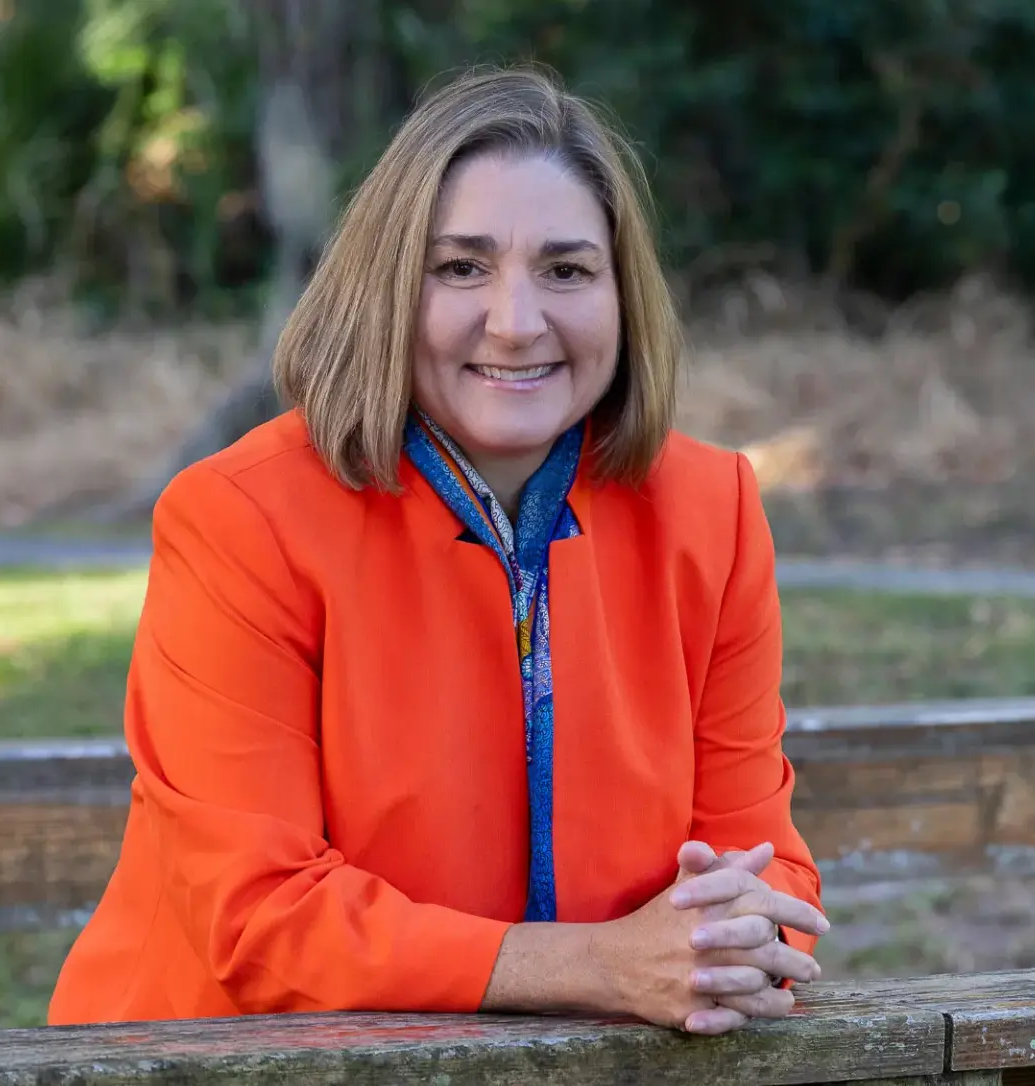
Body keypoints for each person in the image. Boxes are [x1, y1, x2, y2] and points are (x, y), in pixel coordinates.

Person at [48, 65, 827, 1037]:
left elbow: (768, 866)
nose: (516, 322)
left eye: (567, 270)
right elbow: (259, 918)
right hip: (207, 1059)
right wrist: (598, 966)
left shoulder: (713, 513)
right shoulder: (239, 520)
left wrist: (744, 936)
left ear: (625, 295)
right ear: (388, 287)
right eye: (461, 268)